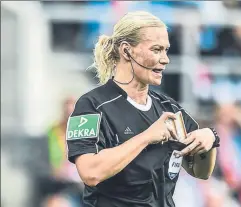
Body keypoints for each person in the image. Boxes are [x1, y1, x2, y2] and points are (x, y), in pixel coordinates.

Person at [66, 11, 220, 207]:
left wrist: (210, 138)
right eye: (156, 50)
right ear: (126, 51)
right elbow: (90, 173)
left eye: (166, 50)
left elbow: (200, 171)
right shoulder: (92, 105)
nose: (165, 59)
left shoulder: (169, 108)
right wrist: (146, 137)